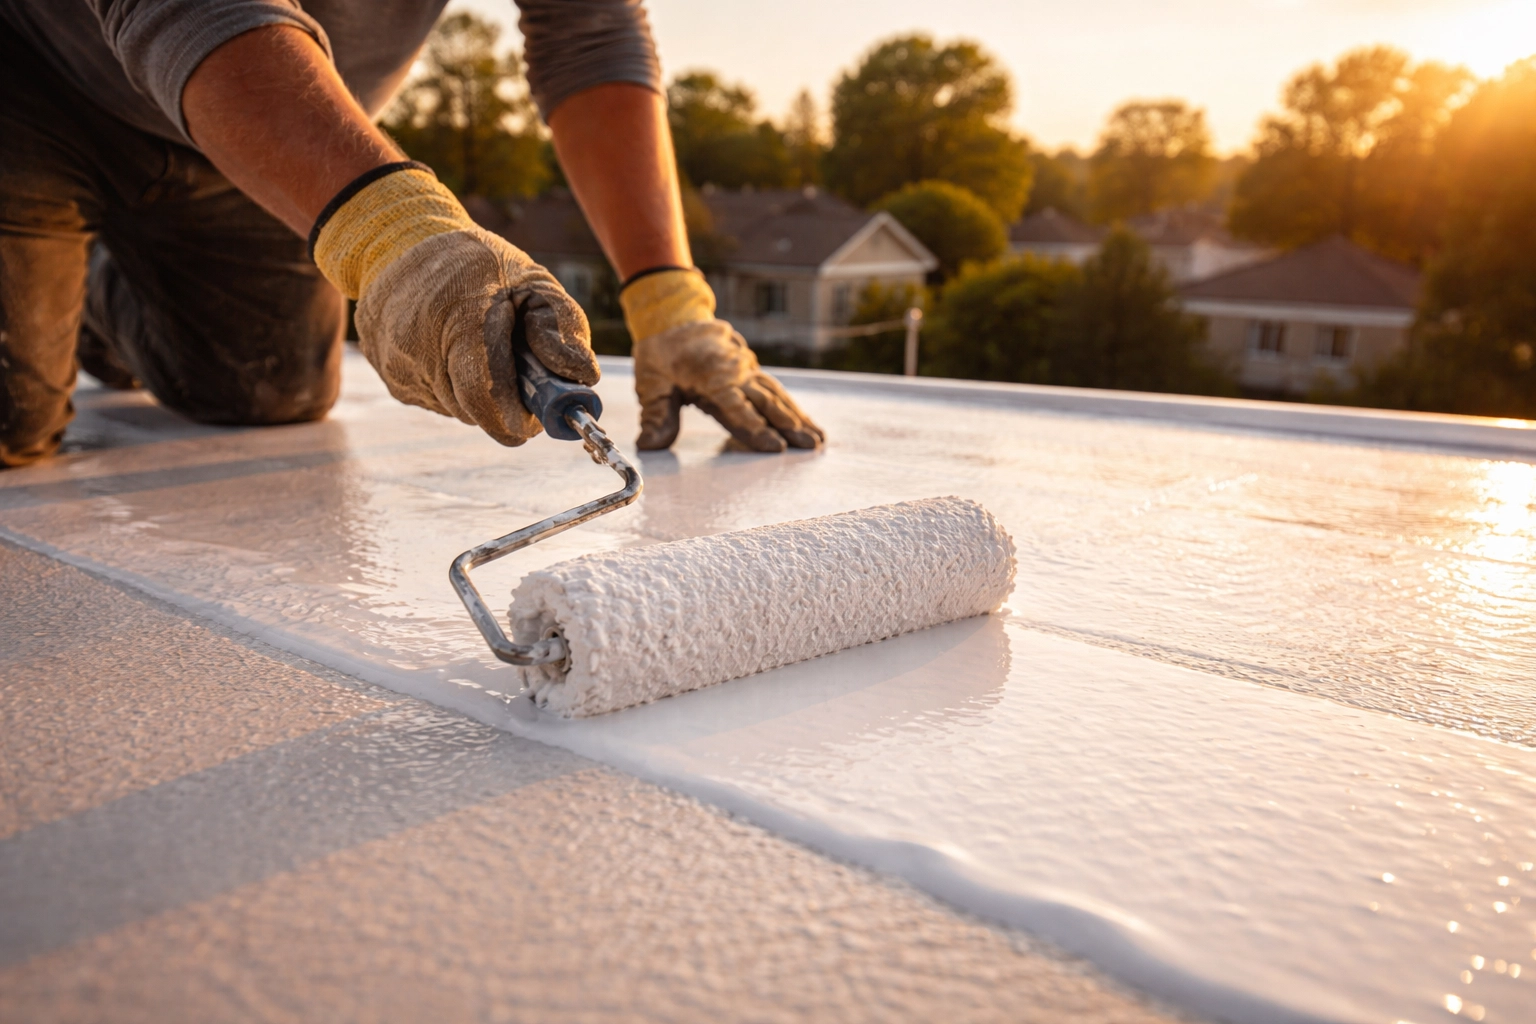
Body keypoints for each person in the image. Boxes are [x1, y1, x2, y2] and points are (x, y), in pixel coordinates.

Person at [0, 0, 825, 469]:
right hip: (38, 90)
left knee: (266, 395)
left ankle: (103, 293)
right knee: (14, 419)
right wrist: (391, 229)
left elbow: (589, 37)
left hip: (249, 132)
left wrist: (668, 301)